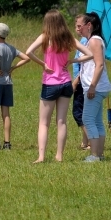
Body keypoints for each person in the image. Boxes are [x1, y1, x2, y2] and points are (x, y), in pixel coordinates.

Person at [25, 9, 93, 163]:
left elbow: (29, 52)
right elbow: (90, 54)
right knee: (61, 121)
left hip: (50, 83)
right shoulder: (68, 38)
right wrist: (73, 61)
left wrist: (43, 64)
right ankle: (59, 156)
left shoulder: (45, 37)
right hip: (66, 83)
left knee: (44, 123)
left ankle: (41, 156)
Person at [0, 22, 32, 151]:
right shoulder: (11, 48)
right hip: (7, 83)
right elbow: (26, 58)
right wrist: (13, 67)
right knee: (6, 114)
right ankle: (7, 143)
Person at [75, 12, 111, 162]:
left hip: (96, 88)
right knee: (96, 121)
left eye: (79, 26)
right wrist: (73, 61)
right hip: (98, 87)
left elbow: (99, 64)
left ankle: (94, 155)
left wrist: (92, 86)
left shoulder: (95, 40)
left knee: (88, 119)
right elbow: (89, 57)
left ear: (89, 25)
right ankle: (99, 154)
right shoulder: (92, 40)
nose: (77, 29)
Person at [72, 16, 90, 151]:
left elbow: (84, 64)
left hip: (81, 82)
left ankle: (91, 140)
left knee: (78, 112)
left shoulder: (85, 41)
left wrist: (76, 80)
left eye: (79, 26)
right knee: (84, 111)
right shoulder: (83, 40)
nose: (77, 29)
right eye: (76, 26)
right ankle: (85, 142)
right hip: (81, 80)